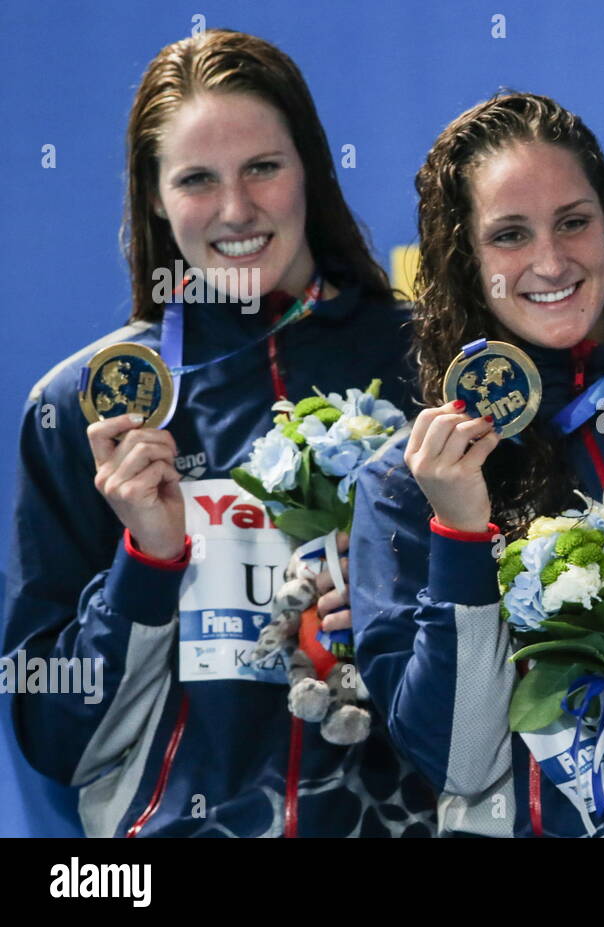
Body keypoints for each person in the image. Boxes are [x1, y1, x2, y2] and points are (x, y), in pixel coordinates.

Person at [1, 29, 433, 837]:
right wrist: (147, 562)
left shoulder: (425, 366)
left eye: (263, 167)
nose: (237, 210)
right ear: (155, 197)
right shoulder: (87, 406)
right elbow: (52, 738)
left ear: (310, 166)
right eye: (198, 179)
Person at [348, 91, 604, 837]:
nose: (550, 260)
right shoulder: (405, 482)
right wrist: (461, 532)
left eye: (574, 221)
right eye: (509, 234)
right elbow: (459, 762)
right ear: (464, 261)